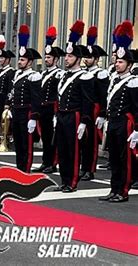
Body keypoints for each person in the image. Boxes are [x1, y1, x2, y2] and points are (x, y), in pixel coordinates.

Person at [99, 21, 138, 202]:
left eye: (122, 62)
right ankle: (113, 189)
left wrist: (137, 129)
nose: (118, 64)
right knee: (113, 158)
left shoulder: (132, 81)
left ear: (129, 65)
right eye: (117, 61)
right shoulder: (114, 79)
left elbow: (136, 106)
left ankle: (123, 191)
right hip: (113, 121)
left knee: (125, 160)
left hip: (125, 123)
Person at [55, 20, 94, 193]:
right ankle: (64, 180)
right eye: (66, 56)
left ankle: (72, 182)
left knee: (73, 151)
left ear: (77, 58)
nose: (66, 59)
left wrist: (84, 121)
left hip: (74, 116)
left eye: (70, 56)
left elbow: (87, 101)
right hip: (63, 115)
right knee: (62, 150)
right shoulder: (64, 76)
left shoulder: (84, 77)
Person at [8, 25, 42, 173]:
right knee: (18, 143)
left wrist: (34, 117)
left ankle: (26, 170)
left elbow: (36, 99)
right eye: (19, 59)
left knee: (26, 145)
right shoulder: (17, 75)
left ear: (30, 62)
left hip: (26, 112)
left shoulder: (34, 76)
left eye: (22, 60)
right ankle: (19, 168)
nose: (19, 62)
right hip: (16, 112)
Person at [32, 26, 65, 174]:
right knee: (44, 137)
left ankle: (52, 163)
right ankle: (46, 161)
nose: (46, 59)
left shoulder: (59, 74)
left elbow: (60, 93)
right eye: (45, 57)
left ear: (56, 59)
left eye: (49, 57)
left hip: (53, 108)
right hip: (43, 109)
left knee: (52, 138)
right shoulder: (43, 73)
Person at [80, 26, 110, 181]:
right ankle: (83, 167)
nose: (86, 59)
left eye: (89, 57)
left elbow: (104, 95)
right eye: (85, 56)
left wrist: (103, 113)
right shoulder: (84, 73)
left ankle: (89, 169)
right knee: (83, 141)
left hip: (95, 109)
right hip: (84, 109)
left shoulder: (101, 73)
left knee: (91, 142)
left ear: (97, 59)